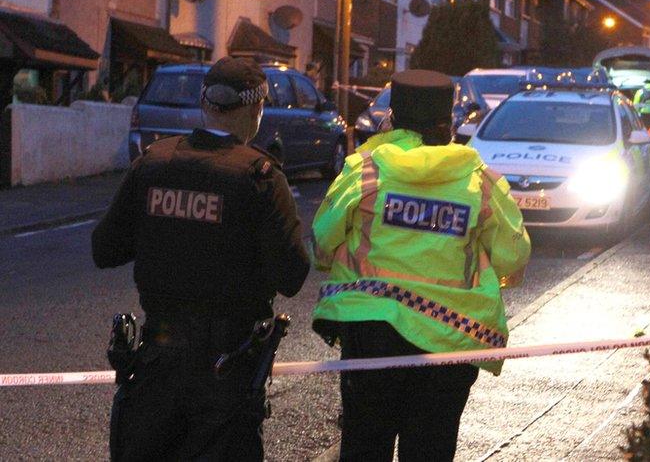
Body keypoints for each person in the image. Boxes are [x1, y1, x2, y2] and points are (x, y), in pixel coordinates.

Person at [91, 57, 310, 461]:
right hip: (227, 369)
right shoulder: (260, 176)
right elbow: (292, 275)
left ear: (204, 103)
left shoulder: (154, 162)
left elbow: (104, 249)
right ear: (256, 109)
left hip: (156, 360)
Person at [311, 69, 531, 462]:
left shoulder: (365, 170)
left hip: (369, 330)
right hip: (448, 336)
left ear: (391, 119)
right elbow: (513, 255)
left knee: (365, 442)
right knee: (431, 446)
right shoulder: (478, 181)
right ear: (449, 124)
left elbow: (323, 241)